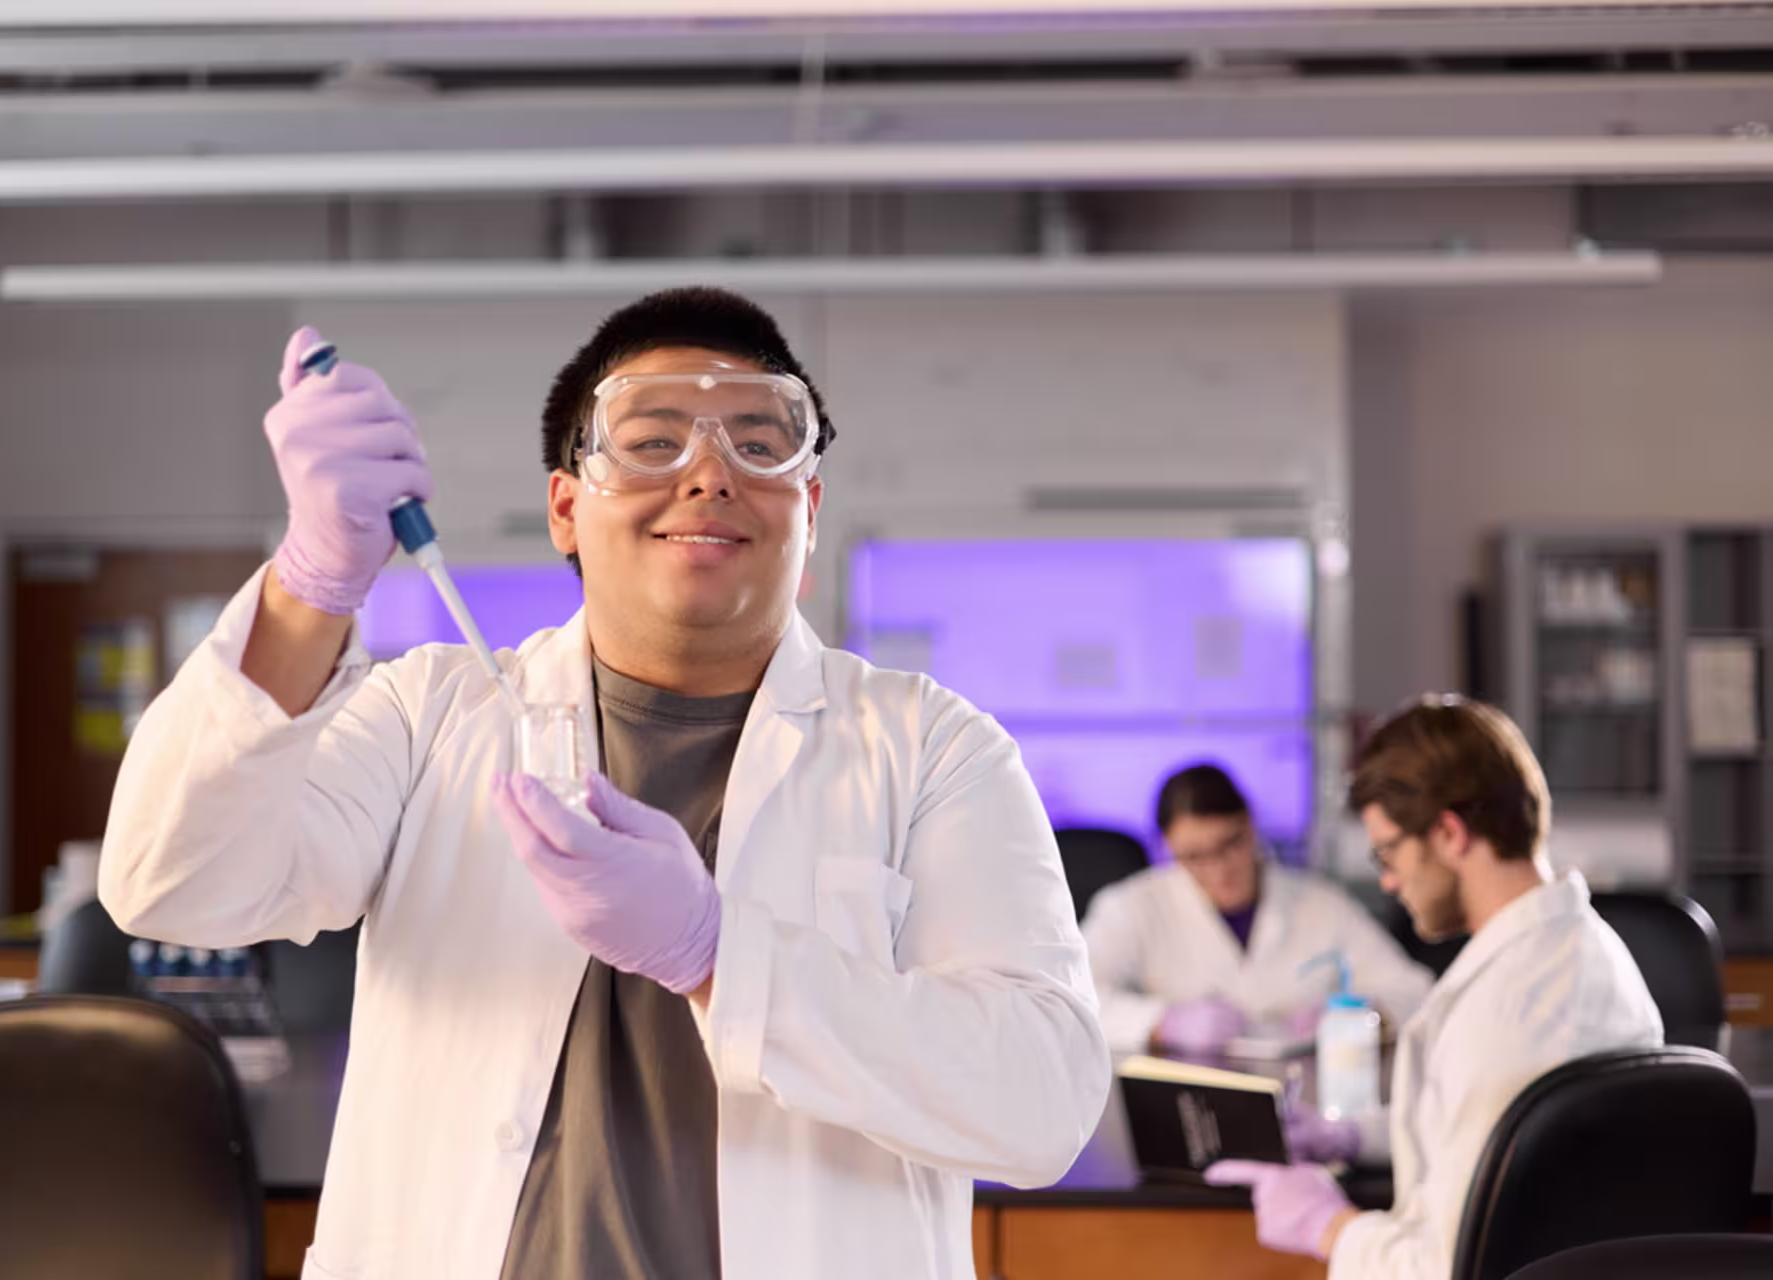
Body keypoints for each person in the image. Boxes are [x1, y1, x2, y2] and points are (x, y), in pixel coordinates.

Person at [98, 287, 1109, 1280]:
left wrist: (716, 953)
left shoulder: (934, 749)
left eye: (761, 443)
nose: (709, 473)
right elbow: (173, 881)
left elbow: (1041, 1103)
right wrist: (310, 583)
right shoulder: (429, 715)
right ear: (566, 508)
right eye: (652, 438)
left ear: (808, 512)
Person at [1205, 696, 1663, 1279]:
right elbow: (1499, 1150)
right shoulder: (1578, 949)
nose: (1389, 880)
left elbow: (1446, 1268)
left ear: (1449, 833)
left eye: (1388, 852)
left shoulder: (1508, 1014)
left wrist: (1330, 1226)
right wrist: (1351, 1135)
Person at [1083, 762, 1433, 1057]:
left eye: (1229, 844)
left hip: (1303, 1096)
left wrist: (1362, 1015)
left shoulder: (1321, 904)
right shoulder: (1132, 908)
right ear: (1166, 849)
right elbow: (1077, 1000)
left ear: (1250, 825)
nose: (1219, 870)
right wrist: (1160, 1022)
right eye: (1194, 856)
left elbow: (1415, 992)